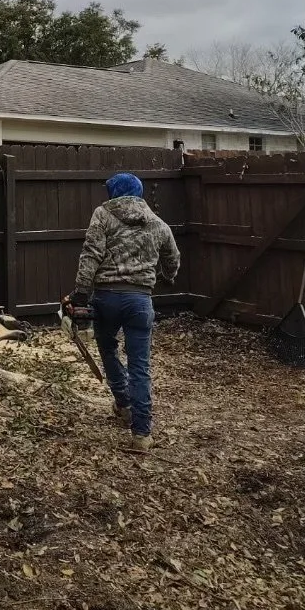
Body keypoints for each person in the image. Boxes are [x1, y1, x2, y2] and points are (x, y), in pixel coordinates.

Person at [68, 171, 180, 452]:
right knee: (140, 366)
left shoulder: (103, 214)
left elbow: (91, 253)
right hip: (140, 301)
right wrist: (167, 276)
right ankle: (141, 434)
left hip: (106, 297)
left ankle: (124, 401)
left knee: (107, 348)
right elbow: (173, 258)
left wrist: (80, 293)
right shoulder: (158, 223)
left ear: (115, 192)